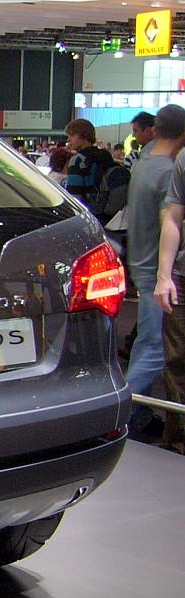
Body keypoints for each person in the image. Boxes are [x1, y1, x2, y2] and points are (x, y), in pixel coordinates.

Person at [125, 104, 185, 441]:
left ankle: (140, 412)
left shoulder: (146, 160)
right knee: (155, 349)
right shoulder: (166, 170)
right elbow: (169, 223)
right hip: (159, 269)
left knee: (146, 342)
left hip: (142, 262)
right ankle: (123, 414)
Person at [155, 139, 185, 453]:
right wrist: (164, 276)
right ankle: (177, 441)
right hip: (182, 278)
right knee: (176, 361)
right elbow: (173, 218)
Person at [64, 118, 115, 207]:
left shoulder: (77, 160)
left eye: (72, 135)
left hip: (88, 210)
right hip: (107, 209)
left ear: (83, 135)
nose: (68, 139)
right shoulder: (106, 156)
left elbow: (74, 197)